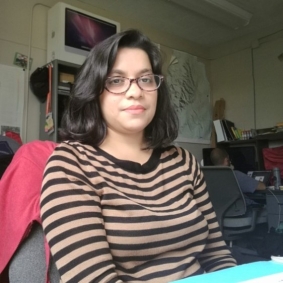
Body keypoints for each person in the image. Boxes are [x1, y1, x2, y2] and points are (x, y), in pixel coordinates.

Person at [40, 29, 236, 283]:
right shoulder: (70, 165)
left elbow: (217, 255)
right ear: (94, 90)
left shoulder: (183, 162)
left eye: (146, 79)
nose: (135, 92)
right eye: (116, 80)